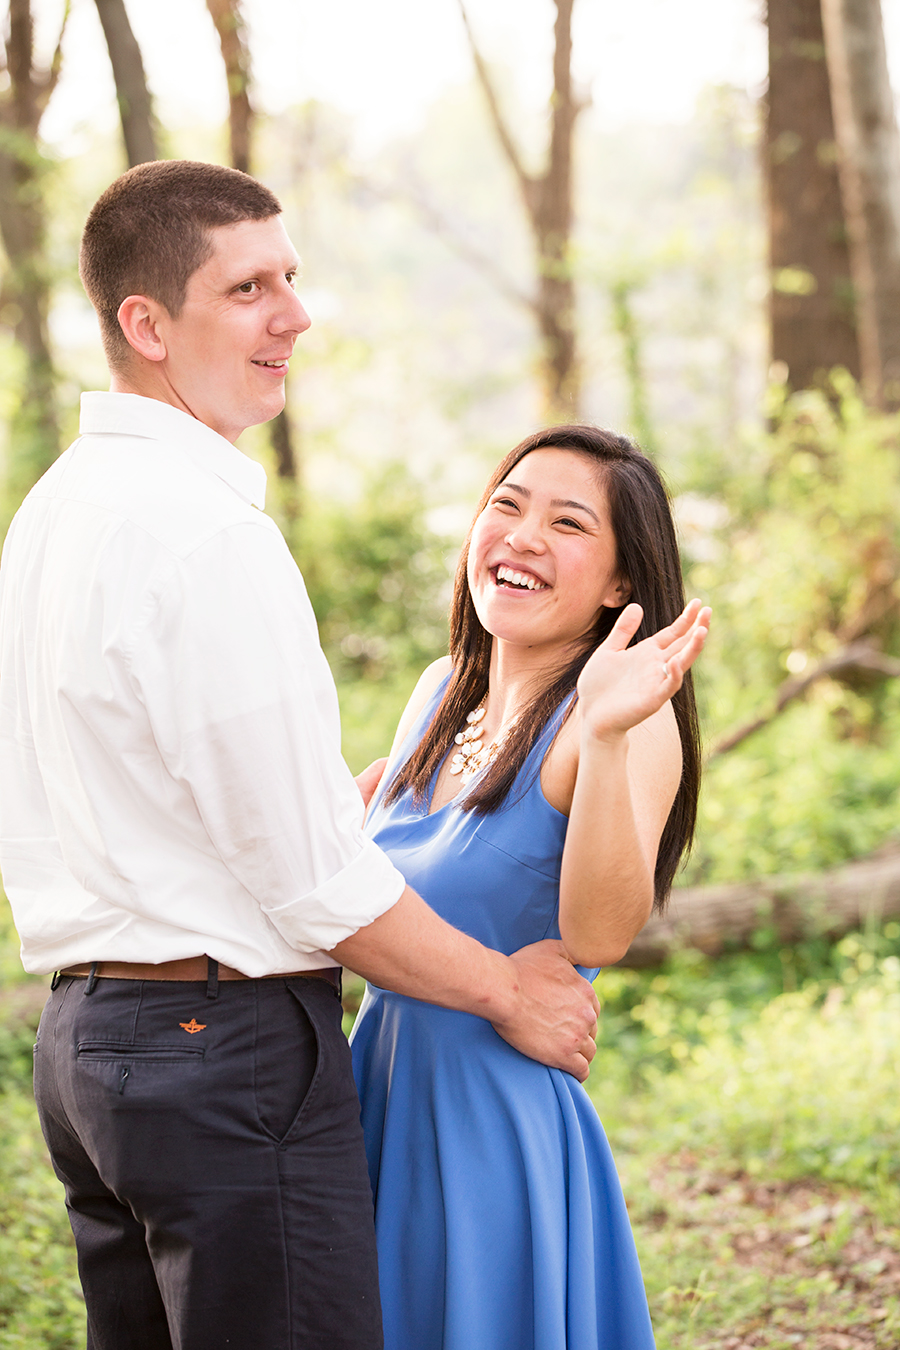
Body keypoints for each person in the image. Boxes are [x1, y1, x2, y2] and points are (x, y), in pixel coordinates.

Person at [0, 161, 601, 1350]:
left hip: (87, 1054)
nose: (295, 315)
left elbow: (139, 785)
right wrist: (507, 991)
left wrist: (333, 798)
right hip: (216, 1055)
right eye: (248, 288)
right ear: (148, 324)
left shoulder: (57, 509)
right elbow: (314, 885)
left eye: (293, 278)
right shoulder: (207, 531)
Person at [350, 424, 711, 1350]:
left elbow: (599, 934)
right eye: (507, 506)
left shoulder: (628, 718)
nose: (522, 536)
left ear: (621, 584)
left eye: (568, 523)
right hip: (377, 1086)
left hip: (489, 1127)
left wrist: (603, 732)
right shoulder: (439, 692)